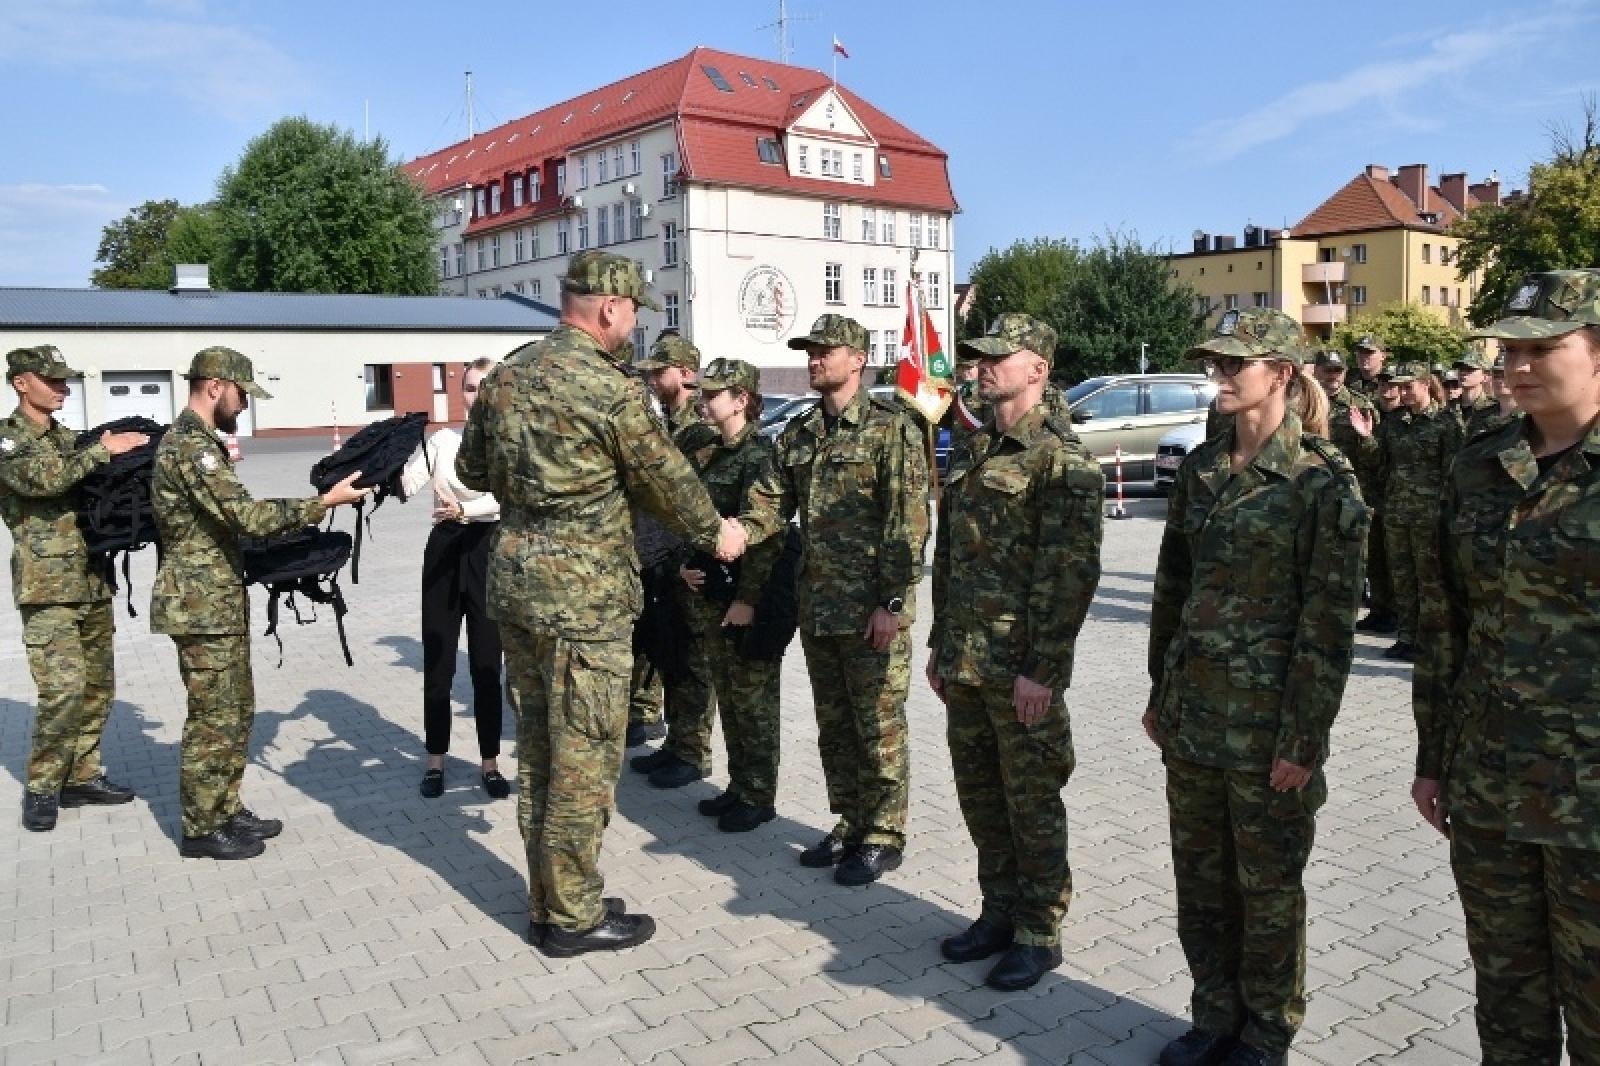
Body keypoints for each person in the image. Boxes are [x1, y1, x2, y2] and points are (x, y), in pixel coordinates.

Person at [456, 251, 743, 956]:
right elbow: (666, 483)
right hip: (582, 599)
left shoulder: (508, 375)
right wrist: (720, 534)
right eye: (635, 312)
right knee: (584, 756)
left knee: (544, 755)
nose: (636, 324)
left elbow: (470, 470)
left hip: (516, 586)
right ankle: (573, 917)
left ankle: (551, 895)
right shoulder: (608, 389)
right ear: (610, 308)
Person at [1147, 309, 1368, 1066]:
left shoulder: (1319, 481)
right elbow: (1170, 590)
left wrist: (1304, 739)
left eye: (1233, 365)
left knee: (1268, 893)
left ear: (1280, 374)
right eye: (1213, 363)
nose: (1219, 377)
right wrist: (1159, 693)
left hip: (1268, 730)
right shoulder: (1204, 470)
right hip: (1195, 719)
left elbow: (1328, 625)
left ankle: (1267, 1033)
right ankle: (1214, 1014)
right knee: (1202, 885)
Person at [1412, 269, 1600, 1063]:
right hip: (1489, 785)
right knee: (1509, 1002)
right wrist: (1433, 758)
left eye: (1542, 348)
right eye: (1508, 350)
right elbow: (1443, 623)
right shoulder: (1480, 465)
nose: (1517, 366)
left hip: (1591, 798)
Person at [926, 314, 1104, 991]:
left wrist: (1044, 670)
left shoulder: (1064, 459)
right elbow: (948, 558)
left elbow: (1071, 576)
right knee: (981, 796)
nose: (985, 366)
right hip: (967, 661)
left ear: (1039, 369)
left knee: (1032, 803)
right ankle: (997, 911)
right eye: (981, 356)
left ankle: (1039, 929)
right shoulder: (975, 450)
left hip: (1020, 669)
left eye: (1002, 357)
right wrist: (942, 643)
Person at [151, 346, 368, 860]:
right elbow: (246, 517)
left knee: (235, 709)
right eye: (242, 392)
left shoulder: (201, 442)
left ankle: (224, 807)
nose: (245, 403)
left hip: (217, 600)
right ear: (215, 386)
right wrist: (323, 504)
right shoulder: (190, 448)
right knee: (211, 716)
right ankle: (202, 828)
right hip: (199, 605)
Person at [741, 313, 930, 886]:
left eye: (825, 350)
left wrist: (891, 603)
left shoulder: (891, 426)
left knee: (879, 724)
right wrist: (729, 534)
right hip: (819, 607)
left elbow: (909, 519)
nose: (814, 358)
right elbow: (767, 505)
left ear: (857, 358)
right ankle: (850, 821)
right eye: (810, 350)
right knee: (835, 725)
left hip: (874, 609)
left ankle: (884, 832)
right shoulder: (801, 434)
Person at [2, 345, 149, 832]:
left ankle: (82, 775)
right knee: (61, 691)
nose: (63, 388)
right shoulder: (8, 440)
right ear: (22, 382)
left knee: (98, 689)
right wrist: (105, 450)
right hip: (46, 588)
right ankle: (44, 786)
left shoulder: (71, 438)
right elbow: (40, 481)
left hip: (90, 579)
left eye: (66, 381)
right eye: (52, 380)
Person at [677, 358, 784, 833]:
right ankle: (739, 786)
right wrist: (686, 565)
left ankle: (760, 795)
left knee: (753, 700)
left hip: (744, 598)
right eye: (702, 393)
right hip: (712, 595)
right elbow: (697, 521)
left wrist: (748, 599)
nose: (703, 401)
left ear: (742, 399)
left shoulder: (761, 455)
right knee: (729, 694)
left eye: (713, 394)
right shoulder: (711, 453)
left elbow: (766, 537)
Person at [407, 357, 508, 800]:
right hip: (445, 550)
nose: (475, 395)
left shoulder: (508, 444)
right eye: (468, 387)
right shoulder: (441, 441)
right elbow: (407, 484)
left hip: (488, 550)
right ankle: (435, 762)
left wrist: (466, 509)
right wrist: (385, 457)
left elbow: (504, 499)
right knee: (438, 663)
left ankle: (490, 764)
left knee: (487, 665)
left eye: (484, 386)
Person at [630, 332, 721, 788]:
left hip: (688, 564)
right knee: (671, 656)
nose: (652, 379)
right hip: (662, 562)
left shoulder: (700, 434)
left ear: (685, 373)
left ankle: (693, 752)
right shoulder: (667, 425)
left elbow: (701, 505)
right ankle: (674, 744)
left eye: (658, 371)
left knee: (693, 662)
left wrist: (688, 560)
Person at [1349, 362, 1461, 662]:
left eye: (1409, 386)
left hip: (1428, 515)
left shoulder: (1446, 422)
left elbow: (1452, 472)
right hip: (1396, 512)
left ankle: (1431, 642)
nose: (1404, 392)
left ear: (1426, 384)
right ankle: (1407, 637)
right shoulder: (1395, 422)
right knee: (1402, 578)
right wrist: (1366, 437)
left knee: (1429, 581)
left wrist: (1446, 513)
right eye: (1401, 387)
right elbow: (1377, 462)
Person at [1451, 347, 1500, 439]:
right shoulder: (1448, 410)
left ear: (1485, 376)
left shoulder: (1493, 410)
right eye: (1461, 369)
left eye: (1470, 369)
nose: (1463, 373)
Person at [1348, 334, 1388, 403]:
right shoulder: (1346, 379)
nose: (1363, 356)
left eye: (1369, 352)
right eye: (1360, 352)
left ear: (1383, 356)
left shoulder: (1390, 382)